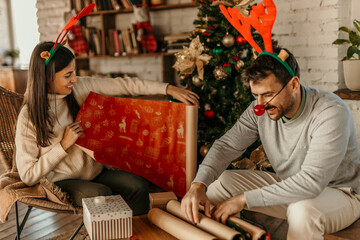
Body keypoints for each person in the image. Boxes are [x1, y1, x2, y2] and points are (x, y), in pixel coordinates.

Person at [181, 47, 360, 239]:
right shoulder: (260, 108)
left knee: (302, 211)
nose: (260, 105)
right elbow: (227, 146)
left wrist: (243, 200)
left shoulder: (330, 111)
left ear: (293, 84)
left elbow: (311, 182)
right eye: (255, 95)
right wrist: (198, 185)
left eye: (267, 94)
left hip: (341, 193)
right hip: (290, 185)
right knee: (218, 183)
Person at [15, 41, 199, 216]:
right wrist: (63, 145)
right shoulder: (29, 117)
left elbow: (122, 84)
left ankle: (136, 233)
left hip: (94, 172)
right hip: (62, 182)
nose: (75, 79)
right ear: (47, 78)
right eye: (67, 75)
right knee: (100, 195)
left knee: (137, 186)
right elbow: (28, 176)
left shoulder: (79, 88)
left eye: (74, 72)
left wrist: (167, 89)